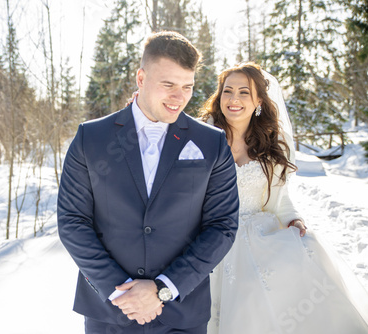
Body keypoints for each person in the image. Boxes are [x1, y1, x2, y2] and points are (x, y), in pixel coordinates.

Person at [57, 31, 239, 333]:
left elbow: (222, 226)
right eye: (168, 84)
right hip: (109, 313)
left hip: (183, 315)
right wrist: (120, 291)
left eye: (187, 87)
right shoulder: (91, 138)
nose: (179, 97)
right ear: (141, 79)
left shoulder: (212, 143)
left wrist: (164, 289)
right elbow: (72, 222)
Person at [200, 62, 368, 334]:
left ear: (258, 101)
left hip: (257, 234)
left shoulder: (273, 146)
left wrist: (294, 219)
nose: (233, 99)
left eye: (244, 92)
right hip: (211, 234)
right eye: (227, 91)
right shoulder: (201, 138)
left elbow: (280, 200)